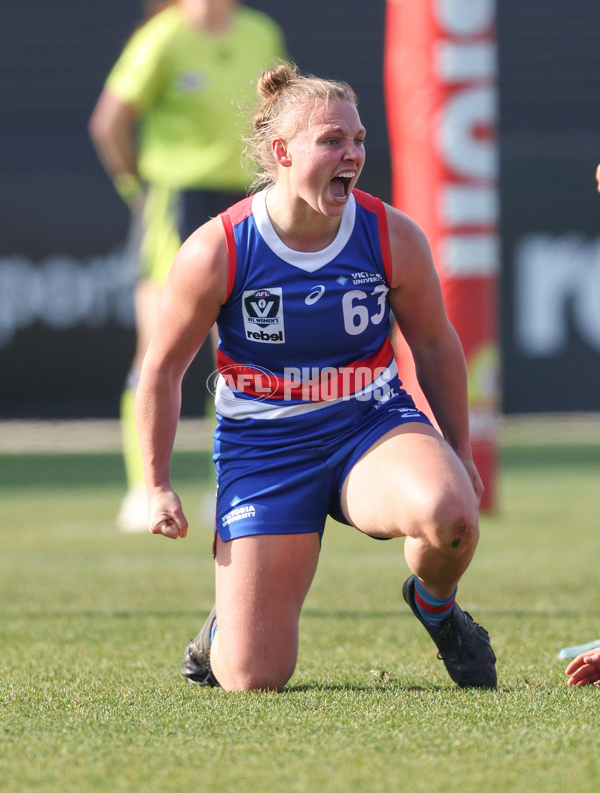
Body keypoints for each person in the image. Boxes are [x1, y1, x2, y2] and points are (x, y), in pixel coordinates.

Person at [135, 63, 497, 692]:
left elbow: (436, 343)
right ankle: (227, 622)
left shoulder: (391, 235)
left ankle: (438, 608)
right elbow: (163, 370)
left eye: (358, 140)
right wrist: (158, 484)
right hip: (265, 449)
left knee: (452, 515)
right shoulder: (218, 249)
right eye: (332, 141)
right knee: (252, 677)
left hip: (370, 426)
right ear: (281, 152)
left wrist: (460, 450)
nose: (352, 154)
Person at [88, 0, 285, 532]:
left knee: (248, 348)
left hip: (247, 200)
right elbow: (109, 123)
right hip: (177, 199)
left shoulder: (261, 31)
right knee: (160, 344)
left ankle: (237, 481)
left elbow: (284, 115)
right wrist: (140, 190)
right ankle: (143, 486)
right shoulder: (162, 38)